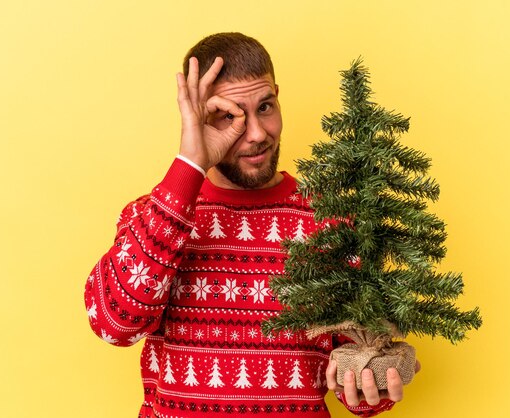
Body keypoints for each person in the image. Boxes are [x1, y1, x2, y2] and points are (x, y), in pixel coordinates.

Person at [85, 32, 416, 417]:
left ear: (277, 94)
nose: (257, 134)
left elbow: (357, 364)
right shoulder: (157, 214)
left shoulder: (333, 220)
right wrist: (190, 163)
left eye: (265, 107)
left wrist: (373, 388)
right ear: (199, 119)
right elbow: (115, 324)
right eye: (228, 115)